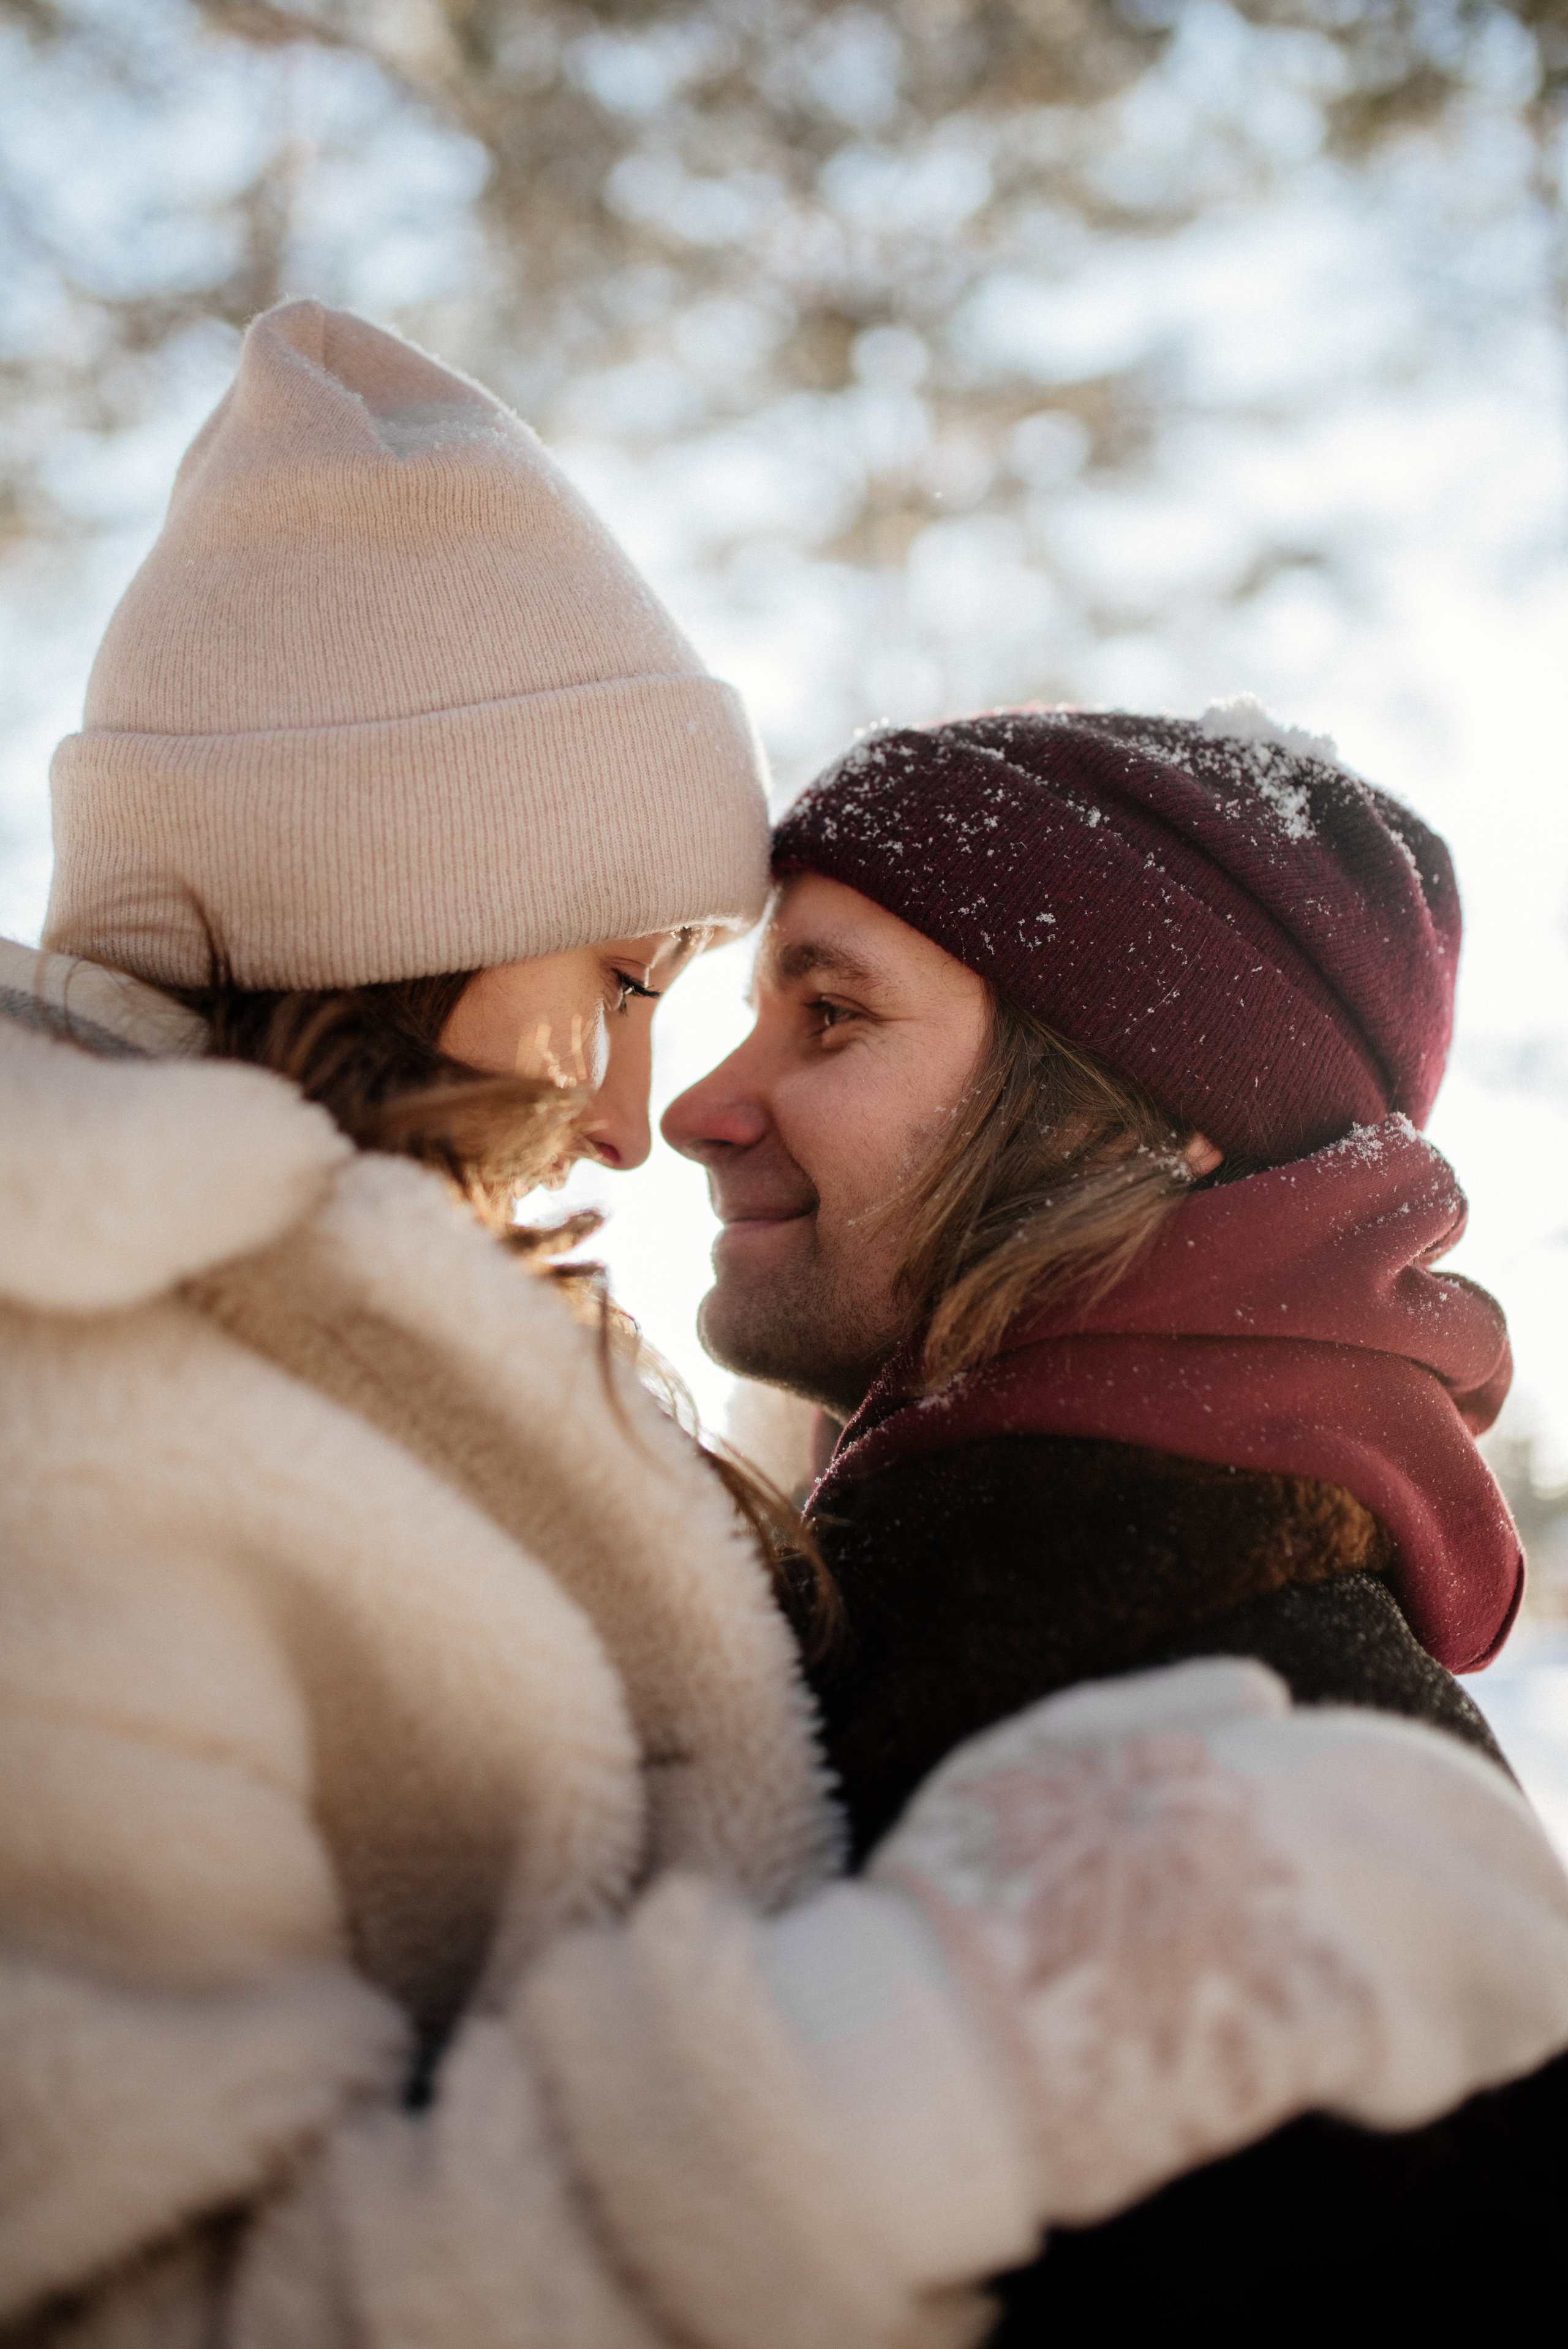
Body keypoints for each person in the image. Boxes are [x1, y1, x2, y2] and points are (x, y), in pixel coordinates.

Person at [4, 303, 1565, 2348]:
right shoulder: (116, 1392)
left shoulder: (1264, 1714)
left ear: (1107, 1116)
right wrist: (944, 2035)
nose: (666, 1115)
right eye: (646, 977)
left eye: (811, 1010)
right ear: (409, 883)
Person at [663, 705, 1568, 2326]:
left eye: (830, 1014)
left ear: (1128, 1108)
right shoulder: (973, 1608)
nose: (701, 1102)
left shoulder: (1254, 1767)